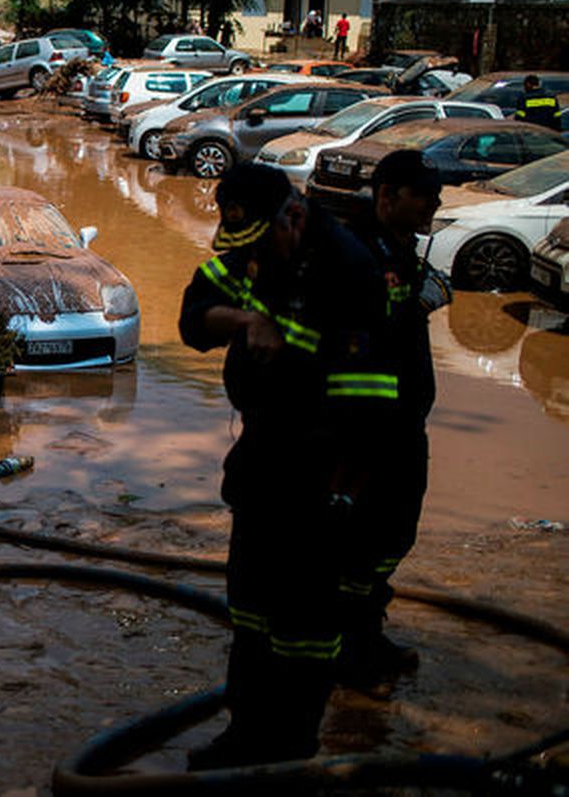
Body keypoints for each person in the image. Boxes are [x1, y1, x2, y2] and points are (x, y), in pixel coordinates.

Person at [179, 165, 401, 770]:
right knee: (250, 606)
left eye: (257, 244)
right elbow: (193, 315)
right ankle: (245, 734)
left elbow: (371, 415)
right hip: (263, 456)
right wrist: (249, 320)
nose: (249, 258)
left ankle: (291, 751)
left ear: (295, 218)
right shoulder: (258, 248)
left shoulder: (349, 271)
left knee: (303, 627)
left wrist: (342, 502)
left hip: (321, 469)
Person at [336, 150, 448, 693]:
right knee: (360, 542)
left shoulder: (400, 248)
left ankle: (368, 633)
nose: (434, 204)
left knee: (395, 534)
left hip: (405, 423)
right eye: (423, 195)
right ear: (386, 197)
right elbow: (360, 330)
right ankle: (350, 656)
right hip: (366, 432)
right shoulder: (357, 251)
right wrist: (416, 305)